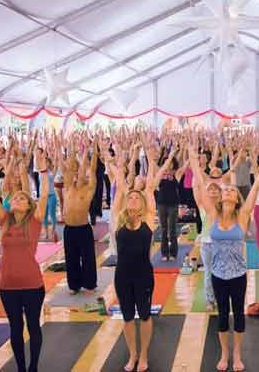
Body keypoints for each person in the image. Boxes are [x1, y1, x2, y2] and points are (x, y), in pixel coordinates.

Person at [0, 147, 49, 372]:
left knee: (33, 325)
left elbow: (43, 195)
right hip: (8, 285)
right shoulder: (5, 220)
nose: (18, 198)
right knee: (15, 328)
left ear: (28, 204)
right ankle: (21, 367)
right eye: (15, 197)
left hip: (33, 284)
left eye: (22, 197)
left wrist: (42, 169)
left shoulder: (35, 220)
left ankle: (33, 367)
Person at [207, 160, 259, 372]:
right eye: (227, 189)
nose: (230, 191)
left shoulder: (242, 216)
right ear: (222, 196)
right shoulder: (213, 215)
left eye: (233, 190)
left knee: (239, 314)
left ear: (236, 197)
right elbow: (200, 182)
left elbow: (255, 188)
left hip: (238, 274)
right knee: (223, 315)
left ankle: (237, 354)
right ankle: (225, 353)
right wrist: (194, 161)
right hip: (217, 274)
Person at [110, 148, 159, 372]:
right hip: (122, 276)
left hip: (143, 275)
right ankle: (133, 354)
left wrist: (150, 158)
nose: (131, 198)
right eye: (129, 197)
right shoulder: (119, 220)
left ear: (142, 203)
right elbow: (120, 186)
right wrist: (121, 163)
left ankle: (145, 355)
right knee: (128, 317)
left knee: (146, 315)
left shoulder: (148, 219)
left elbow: (149, 187)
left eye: (135, 197)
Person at [61, 140, 99, 294]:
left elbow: (90, 168)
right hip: (69, 229)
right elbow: (70, 169)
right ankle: (74, 285)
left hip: (83, 228)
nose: (79, 174)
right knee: (71, 258)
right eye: (77, 173)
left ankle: (89, 284)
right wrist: (72, 150)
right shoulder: (69, 186)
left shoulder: (89, 189)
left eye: (82, 173)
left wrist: (94, 152)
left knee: (88, 257)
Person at [189, 144, 221, 311]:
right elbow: (197, 186)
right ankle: (210, 300)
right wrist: (195, 162)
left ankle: (220, 297)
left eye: (216, 190)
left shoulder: (224, 207)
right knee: (208, 272)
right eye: (211, 190)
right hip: (207, 244)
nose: (214, 192)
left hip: (221, 243)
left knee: (220, 272)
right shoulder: (203, 205)